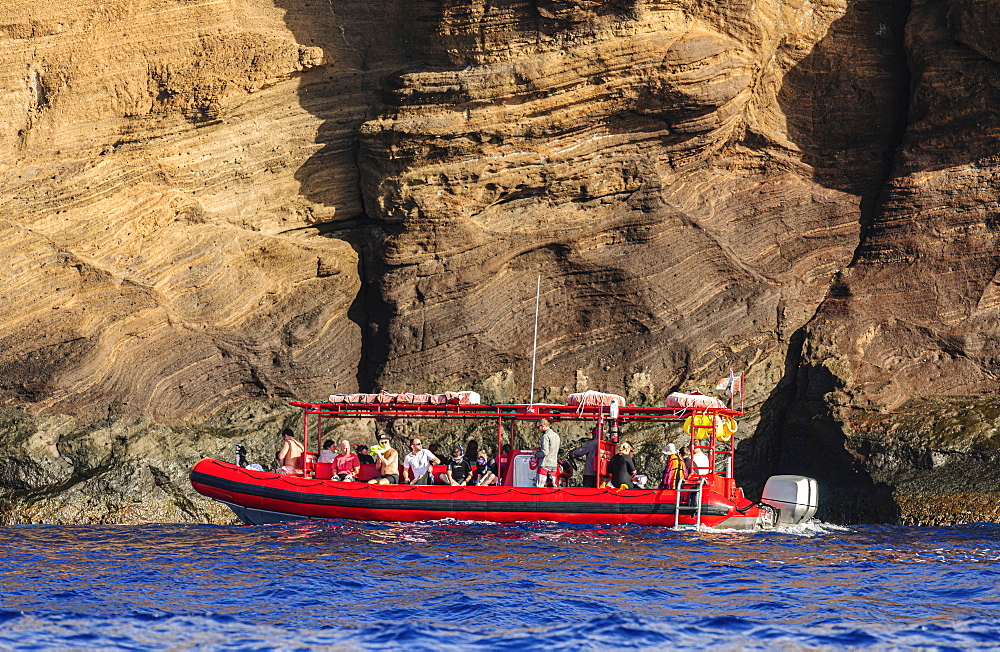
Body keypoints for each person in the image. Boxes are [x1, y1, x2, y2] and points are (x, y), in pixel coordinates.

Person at [534, 418, 561, 488]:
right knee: (552, 488)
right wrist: (540, 448)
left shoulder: (545, 436)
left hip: (544, 465)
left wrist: (536, 454)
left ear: (543, 426)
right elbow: (552, 449)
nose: (538, 429)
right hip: (553, 465)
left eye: (538, 427)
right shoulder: (556, 436)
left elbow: (545, 452)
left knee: (540, 488)